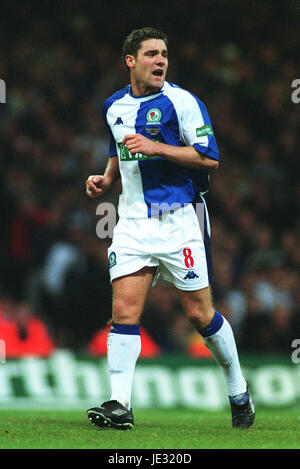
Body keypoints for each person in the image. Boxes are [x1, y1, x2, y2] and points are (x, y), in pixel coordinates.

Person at [85, 27, 255, 430]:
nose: (160, 61)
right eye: (151, 54)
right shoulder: (114, 106)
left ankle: (238, 388)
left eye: (164, 54)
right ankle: (119, 405)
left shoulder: (184, 103)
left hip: (179, 220)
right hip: (131, 222)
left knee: (200, 314)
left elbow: (209, 159)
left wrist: (158, 146)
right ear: (130, 61)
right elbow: (118, 147)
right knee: (124, 311)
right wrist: (107, 180)